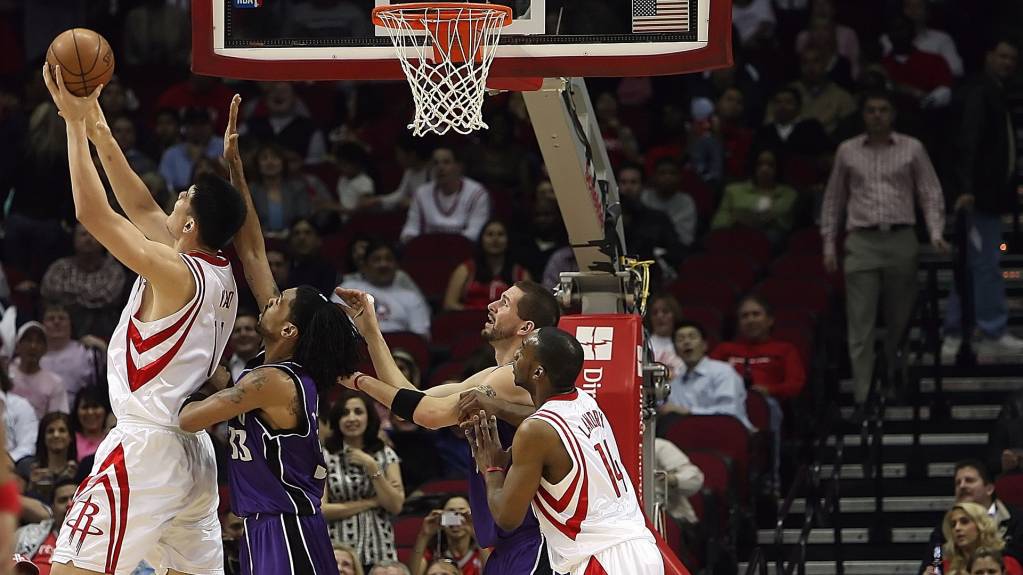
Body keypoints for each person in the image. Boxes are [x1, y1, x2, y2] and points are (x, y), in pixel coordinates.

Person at [43, 65, 247, 575]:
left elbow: (96, 215)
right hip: (192, 454)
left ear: (191, 225)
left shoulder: (176, 272)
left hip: (145, 445)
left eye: (182, 200)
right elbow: (135, 202)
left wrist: (69, 126)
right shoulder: (221, 274)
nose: (172, 201)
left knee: (70, 569)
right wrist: (94, 120)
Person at [178, 93, 366, 574]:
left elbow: (191, 418)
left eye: (280, 299)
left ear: (287, 328)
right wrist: (237, 171)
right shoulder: (272, 368)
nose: (271, 296)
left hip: (286, 527)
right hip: (267, 524)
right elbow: (255, 252)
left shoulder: (271, 381)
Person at [334, 280, 559, 575]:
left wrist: (358, 380)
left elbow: (428, 414)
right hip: (509, 544)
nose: (490, 306)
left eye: (504, 303)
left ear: (525, 327)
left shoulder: (513, 379)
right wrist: (371, 332)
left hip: (534, 538)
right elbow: (412, 398)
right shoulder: (493, 375)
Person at [467, 327, 663, 574]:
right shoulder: (584, 400)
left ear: (538, 372)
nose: (516, 354)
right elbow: (543, 424)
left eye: (523, 350)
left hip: (603, 559)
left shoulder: (536, 431)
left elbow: (507, 517)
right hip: (639, 548)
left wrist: (491, 468)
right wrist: (498, 407)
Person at [820, 90, 947, 408]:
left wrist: (935, 232)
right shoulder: (847, 151)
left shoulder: (912, 148)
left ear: (893, 114)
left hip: (901, 237)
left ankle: (894, 382)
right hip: (861, 240)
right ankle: (863, 396)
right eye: (871, 109)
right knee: (860, 324)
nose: (877, 115)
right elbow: (834, 199)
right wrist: (828, 245)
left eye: (883, 109)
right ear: (863, 115)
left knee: (899, 321)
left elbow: (929, 191)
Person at [943, 38, 1023, 357]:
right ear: (988, 56)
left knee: (976, 263)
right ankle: (989, 328)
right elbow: (968, 141)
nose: (1007, 63)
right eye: (1002, 56)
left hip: (988, 196)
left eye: (1012, 59)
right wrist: (966, 189)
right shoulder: (980, 91)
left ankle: (960, 328)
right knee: (984, 264)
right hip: (977, 197)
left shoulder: (995, 92)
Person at [321, 391, 405, 572]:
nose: (351, 418)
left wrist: (372, 467)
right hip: (340, 553)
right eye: (345, 413)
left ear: (369, 417)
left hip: (379, 550)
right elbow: (322, 510)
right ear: (337, 419)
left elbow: (396, 505)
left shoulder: (385, 454)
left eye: (358, 412)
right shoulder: (325, 456)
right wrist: (372, 502)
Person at [923, 460, 1023, 571]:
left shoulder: (1018, 521)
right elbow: (934, 564)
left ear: (989, 488)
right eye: (958, 482)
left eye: (969, 480)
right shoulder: (942, 530)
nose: (962, 486)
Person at [659, 321, 754, 430]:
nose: (686, 342)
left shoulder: (723, 372)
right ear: (675, 351)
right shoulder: (675, 383)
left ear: (704, 345)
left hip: (730, 433)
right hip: (692, 436)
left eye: (692, 337)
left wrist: (689, 412)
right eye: (680, 339)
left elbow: (730, 411)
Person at [335, 241, 431, 338]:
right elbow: (335, 327)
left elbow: (420, 337)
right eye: (376, 260)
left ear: (396, 265)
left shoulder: (411, 297)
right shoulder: (347, 289)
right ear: (364, 265)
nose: (383, 264)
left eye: (388, 259)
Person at [400, 147, 491, 243]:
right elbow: (411, 228)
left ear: (459, 166)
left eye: (446, 162)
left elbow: (475, 232)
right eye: (436, 163)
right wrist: (408, 237)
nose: (440, 168)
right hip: (428, 252)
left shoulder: (477, 194)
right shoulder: (421, 194)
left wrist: (445, 246)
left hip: (463, 252)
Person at [711, 149, 798, 244]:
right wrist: (734, 220)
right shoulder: (732, 190)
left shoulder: (788, 193)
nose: (764, 169)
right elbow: (718, 223)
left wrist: (741, 215)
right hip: (733, 235)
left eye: (770, 165)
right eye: (760, 164)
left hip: (766, 242)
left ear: (778, 168)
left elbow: (780, 220)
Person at [444, 220, 531, 312]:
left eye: (500, 234)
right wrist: (475, 312)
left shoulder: (520, 273)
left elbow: (529, 308)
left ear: (508, 239)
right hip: (471, 321)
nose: (495, 239)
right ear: (481, 239)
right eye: (490, 234)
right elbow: (449, 304)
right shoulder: (465, 270)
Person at [924, 503, 1023, 575]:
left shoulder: (1008, 564)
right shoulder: (943, 567)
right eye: (953, 524)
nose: (957, 528)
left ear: (982, 526)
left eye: (964, 522)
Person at [38, 304, 102, 407]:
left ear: (70, 323)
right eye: (51, 319)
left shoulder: (85, 352)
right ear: (42, 324)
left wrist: (103, 348)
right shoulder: (34, 356)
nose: (56, 322)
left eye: (62, 318)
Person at [410, 496, 488, 575]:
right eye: (451, 514)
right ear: (441, 519)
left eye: (462, 514)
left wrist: (477, 533)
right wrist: (424, 535)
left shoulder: (482, 551)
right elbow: (412, 573)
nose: (457, 521)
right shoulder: (433, 553)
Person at [14, 478, 76, 575]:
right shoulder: (26, 534)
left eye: (75, 498)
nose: (69, 504)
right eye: (62, 500)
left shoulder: (98, 541)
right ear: (52, 508)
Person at [8, 323, 68, 419]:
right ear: (18, 346)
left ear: (45, 349)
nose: (33, 346)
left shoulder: (54, 382)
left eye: (38, 342)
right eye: (28, 340)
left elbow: (56, 420)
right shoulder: (4, 375)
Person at [23, 414, 77, 504]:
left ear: (70, 437)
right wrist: (31, 486)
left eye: (62, 430)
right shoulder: (27, 467)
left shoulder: (80, 469)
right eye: (50, 431)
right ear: (43, 437)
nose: (56, 435)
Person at [68, 389, 108, 464]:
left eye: (95, 407)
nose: (90, 412)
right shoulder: (69, 440)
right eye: (85, 407)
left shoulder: (113, 439)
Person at [226, 310, 261, 382]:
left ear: (260, 335)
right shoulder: (222, 366)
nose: (243, 334)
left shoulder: (271, 365)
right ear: (230, 338)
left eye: (248, 329)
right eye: (237, 330)